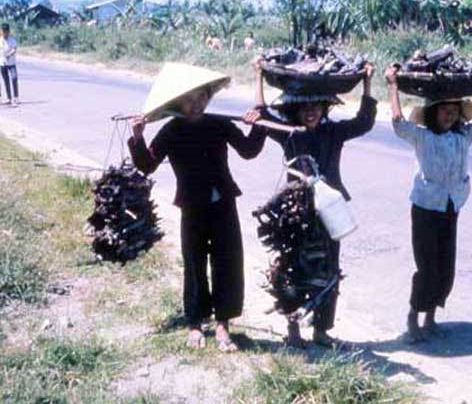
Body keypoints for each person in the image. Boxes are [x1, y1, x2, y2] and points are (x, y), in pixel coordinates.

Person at [248, 58, 377, 347]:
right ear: (295, 109)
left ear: (325, 107)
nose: (310, 112)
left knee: (329, 266)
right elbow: (262, 113)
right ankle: (293, 330)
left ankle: (321, 330)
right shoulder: (289, 133)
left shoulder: (334, 132)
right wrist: (257, 76)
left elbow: (364, 121)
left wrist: (368, 81)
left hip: (330, 208)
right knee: (294, 265)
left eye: (316, 106)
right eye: (305, 107)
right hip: (297, 209)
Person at [128, 86, 265, 352]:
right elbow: (147, 165)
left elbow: (248, 150)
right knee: (194, 263)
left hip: (223, 201)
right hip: (191, 206)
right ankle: (194, 323)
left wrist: (256, 126)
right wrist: (137, 137)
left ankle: (223, 324)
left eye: (202, 97)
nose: (197, 103)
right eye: (190, 99)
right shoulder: (172, 129)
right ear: (180, 102)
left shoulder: (220, 122)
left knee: (227, 261)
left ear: (208, 98)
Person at [385, 66, 472, 343]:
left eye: (453, 110)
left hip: (452, 206)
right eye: (444, 110)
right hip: (426, 207)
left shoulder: (464, 136)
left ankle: (431, 319)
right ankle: (413, 316)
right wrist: (392, 86)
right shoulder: (423, 137)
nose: (449, 114)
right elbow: (399, 123)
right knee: (427, 267)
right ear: (432, 114)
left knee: (446, 267)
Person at [1, 23, 19, 105]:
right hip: (2, 63)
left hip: (11, 63)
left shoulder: (12, 40)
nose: (4, 33)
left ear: (8, 31)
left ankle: (16, 97)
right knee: (6, 81)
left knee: (14, 78)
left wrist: (9, 55)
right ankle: (9, 98)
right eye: (3, 31)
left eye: (6, 31)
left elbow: (14, 49)